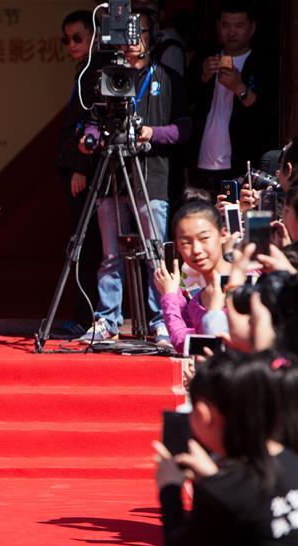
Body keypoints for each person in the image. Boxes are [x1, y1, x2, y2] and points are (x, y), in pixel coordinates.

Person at [77, 9, 191, 345]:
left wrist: (150, 132)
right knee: (110, 255)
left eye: (137, 32)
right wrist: (90, 139)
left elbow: (184, 130)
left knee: (154, 253)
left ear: (151, 36)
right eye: (124, 34)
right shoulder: (104, 76)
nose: (130, 41)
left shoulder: (168, 77)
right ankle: (106, 319)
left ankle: (161, 320)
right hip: (111, 176)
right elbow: (93, 122)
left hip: (151, 178)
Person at [153, 352, 298, 546]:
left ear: (203, 414)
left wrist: (169, 487)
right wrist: (212, 479)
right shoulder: (289, 456)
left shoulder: (226, 489)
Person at [188, 0, 278, 193]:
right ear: (217, 27)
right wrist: (203, 77)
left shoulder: (263, 63)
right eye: (226, 25)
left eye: (239, 25)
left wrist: (239, 88)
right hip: (201, 164)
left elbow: (268, 116)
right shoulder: (205, 59)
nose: (232, 32)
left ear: (252, 28)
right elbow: (184, 102)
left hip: (241, 166)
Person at [54, 10, 102, 333]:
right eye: (66, 39)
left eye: (77, 38)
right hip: (81, 168)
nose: (71, 44)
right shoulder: (85, 70)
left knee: (88, 247)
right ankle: (86, 316)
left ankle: (87, 318)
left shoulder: (96, 72)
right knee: (84, 244)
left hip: (88, 171)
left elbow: (93, 124)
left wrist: (80, 166)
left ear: (95, 36)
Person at [153, 200, 232, 353]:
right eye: (186, 242)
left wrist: (169, 296)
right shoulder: (197, 301)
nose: (196, 249)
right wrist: (173, 292)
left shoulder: (244, 280)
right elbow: (187, 342)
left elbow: (183, 342)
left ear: (223, 235)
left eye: (204, 238)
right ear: (177, 246)